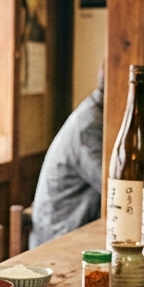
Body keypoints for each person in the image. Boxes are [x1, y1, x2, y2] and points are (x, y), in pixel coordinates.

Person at [29, 64, 104, 247]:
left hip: (74, 230)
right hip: (57, 237)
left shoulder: (97, 114)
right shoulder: (90, 125)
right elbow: (111, 187)